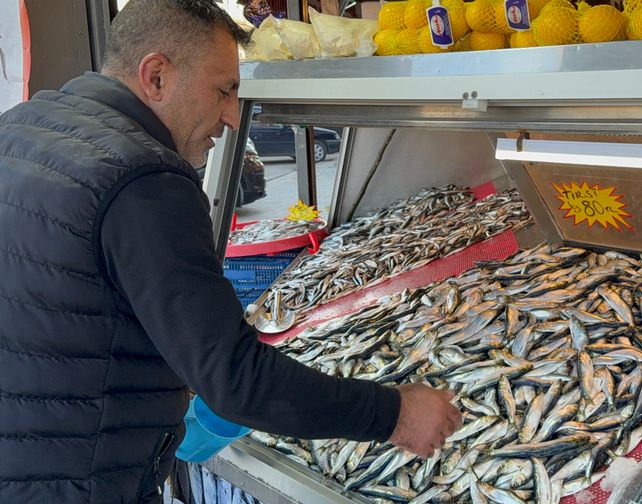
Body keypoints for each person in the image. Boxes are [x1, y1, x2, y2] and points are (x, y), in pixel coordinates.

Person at [0, 1, 461, 502]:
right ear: (156, 76)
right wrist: (396, 414)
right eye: (224, 91)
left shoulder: (22, 127)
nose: (231, 117)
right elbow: (236, 379)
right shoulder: (143, 178)